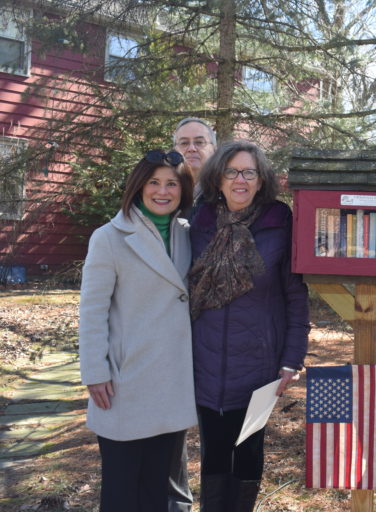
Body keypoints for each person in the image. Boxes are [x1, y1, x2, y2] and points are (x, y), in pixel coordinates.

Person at [188, 140, 310, 511]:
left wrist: (292, 359)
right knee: (212, 452)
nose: (240, 180)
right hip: (204, 359)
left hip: (259, 363)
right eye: (232, 171)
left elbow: (296, 296)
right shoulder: (199, 222)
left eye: (249, 172)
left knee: (247, 452)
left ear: (261, 181)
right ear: (218, 178)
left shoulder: (279, 223)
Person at [79, 150, 197, 511]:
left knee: (158, 488)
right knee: (122, 488)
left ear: (183, 190)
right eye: (154, 183)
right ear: (138, 186)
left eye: (172, 184)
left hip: (171, 380)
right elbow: (92, 311)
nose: (163, 191)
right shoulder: (109, 237)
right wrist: (95, 372)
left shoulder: (186, 234)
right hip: (124, 381)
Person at [167, 116, 217, 511]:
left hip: (217, 326)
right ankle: (176, 502)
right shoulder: (167, 192)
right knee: (169, 427)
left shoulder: (225, 192)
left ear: (213, 147)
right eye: (184, 142)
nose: (192, 148)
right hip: (171, 324)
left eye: (199, 141)